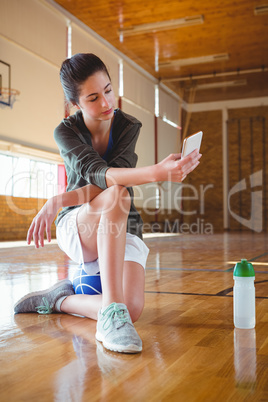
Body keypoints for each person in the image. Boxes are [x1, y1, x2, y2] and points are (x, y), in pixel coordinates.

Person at [14, 53, 201, 354]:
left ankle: (59, 299)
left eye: (109, 90)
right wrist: (157, 172)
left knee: (134, 310)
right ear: (74, 104)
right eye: (92, 98)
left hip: (120, 220)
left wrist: (56, 198)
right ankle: (111, 314)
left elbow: (113, 179)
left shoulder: (129, 125)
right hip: (79, 223)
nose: (106, 103)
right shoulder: (66, 132)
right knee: (117, 192)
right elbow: (99, 177)